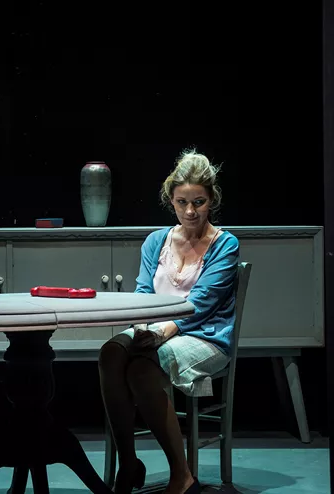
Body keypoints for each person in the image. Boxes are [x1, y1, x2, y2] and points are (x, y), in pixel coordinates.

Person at [99, 149, 239, 494]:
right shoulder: (156, 241)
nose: (190, 211)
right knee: (111, 352)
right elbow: (144, 293)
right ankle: (129, 463)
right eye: (182, 202)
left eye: (199, 202)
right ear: (171, 201)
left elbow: (202, 303)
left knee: (141, 371)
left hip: (204, 335)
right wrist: (142, 328)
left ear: (212, 200)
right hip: (156, 329)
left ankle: (182, 474)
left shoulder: (225, 244)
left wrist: (163, 332)